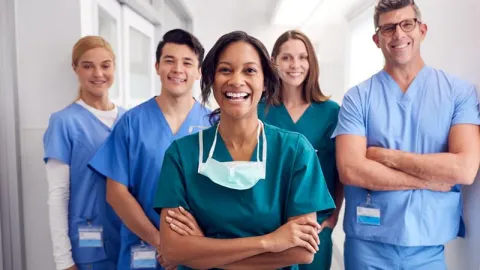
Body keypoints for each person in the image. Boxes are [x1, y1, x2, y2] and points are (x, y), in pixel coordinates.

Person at [153, 31, 336, 270]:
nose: (236, 81)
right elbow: (173, 249)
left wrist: (202, 248)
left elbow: (301, 252)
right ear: (210, 79)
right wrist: (269, 242)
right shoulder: (181, 154)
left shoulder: (294, 151)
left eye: (250, 70)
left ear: (266, 82)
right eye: (225, 70)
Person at [332, 0, 480, 269]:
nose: (398, 34)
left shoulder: (458, 93)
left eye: (406, 24)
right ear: (377, 39)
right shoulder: (358, 98)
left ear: (422, 30)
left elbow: (464, 168)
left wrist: (386, 157)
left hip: (429, 248)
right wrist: (429, 181)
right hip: (367, 247)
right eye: (388, 28)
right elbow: (352, 170)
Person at [88, 29, 211, 270]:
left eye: (187, 62)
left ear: (198, 72)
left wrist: (193, 245)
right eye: (169, 61)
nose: (177, 69)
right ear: (157, 66)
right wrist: (160, 243)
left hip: (199, 253)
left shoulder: (214, 126)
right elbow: (116, 193)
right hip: (143, 250)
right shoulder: (132, 123)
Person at [258, 30, 342, 270]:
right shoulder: (259, 110)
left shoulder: (331, 112)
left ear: (311, 62)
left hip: (315, 226)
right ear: (273, 62)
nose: (295, 65)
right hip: (269, 225)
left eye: (302, 57)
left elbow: (339, 170)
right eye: (286, 58)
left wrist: (334, 216)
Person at [43, 36, 125, 270]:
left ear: (114, 67)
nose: (98, 73)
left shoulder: (129, 119)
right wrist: (63, 260)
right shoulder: (63, 122)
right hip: (88, 248)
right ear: (75, 69)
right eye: (88, 66)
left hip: (131, 242)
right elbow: (58, 195)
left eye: (105, 65)